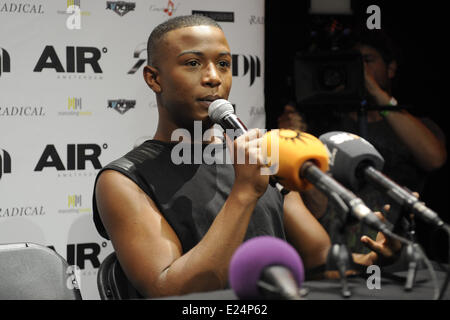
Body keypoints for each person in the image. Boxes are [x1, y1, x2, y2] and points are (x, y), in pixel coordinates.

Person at [92, 15, 399, 298]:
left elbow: (319, 261)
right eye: (192, 63)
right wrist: (244, 192)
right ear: (154, 79)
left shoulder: (261, 157)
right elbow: (170, 292)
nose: (213, 78)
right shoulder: (124, 180)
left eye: (223, 64)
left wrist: (370, 259)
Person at [278, 30, 447, 253]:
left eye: (367, 60)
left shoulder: (414, 125)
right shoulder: (326, 125)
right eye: (353, 62)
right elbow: (315, 202)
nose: (359, 69)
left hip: (400, 251)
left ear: (391, 68)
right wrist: (295, 140)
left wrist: (376, 93)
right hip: (337, 253)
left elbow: (434, 159)